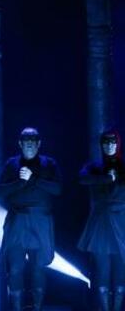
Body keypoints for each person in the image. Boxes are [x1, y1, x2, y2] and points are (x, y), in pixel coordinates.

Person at [0, 127, 62, 311]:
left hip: (40, 221)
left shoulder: (49, 164)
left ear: (39, 143)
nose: (30, 144)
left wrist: (33, 179)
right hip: (17, 221)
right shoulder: (11, 164)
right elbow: (0, 191)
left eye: (33, 140)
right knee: (15, 269)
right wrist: (20, 183)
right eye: (26, 140)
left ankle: (37, 308)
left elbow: (58, 189)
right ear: (20, 143)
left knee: (38, 269)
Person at [78, 129, 125, 311]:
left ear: (118, 144)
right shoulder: (94, 167)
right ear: (101, 144)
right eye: (106, 142)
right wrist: (106, 178)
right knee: (102, 272)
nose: (109, 145)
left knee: (120, 272)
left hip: (121, 222)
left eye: (113, 142)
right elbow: (82, 179)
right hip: (101, 223)